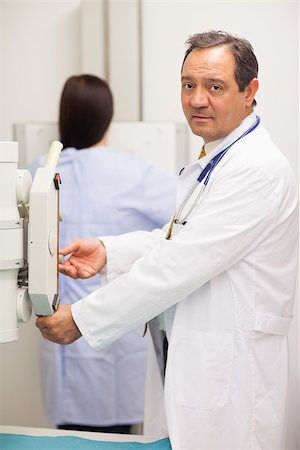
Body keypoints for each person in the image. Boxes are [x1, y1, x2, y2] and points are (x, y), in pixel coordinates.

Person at [36, 31, 298, 450]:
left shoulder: (256, 170)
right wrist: (110, 251)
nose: (197, 99)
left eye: (215, 87)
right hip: (192, 362)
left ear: (250, 91)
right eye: (188, 85)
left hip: (230, 378)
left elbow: (180, 264)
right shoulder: (217, 158)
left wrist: (83, 319)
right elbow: (176, 241)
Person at [29, 74, 176, 433]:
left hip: (60, 332)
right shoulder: (133, 172)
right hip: (116, 337)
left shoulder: (41, 173)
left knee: (72, 437)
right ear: (108, 117)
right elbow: (186, 217)